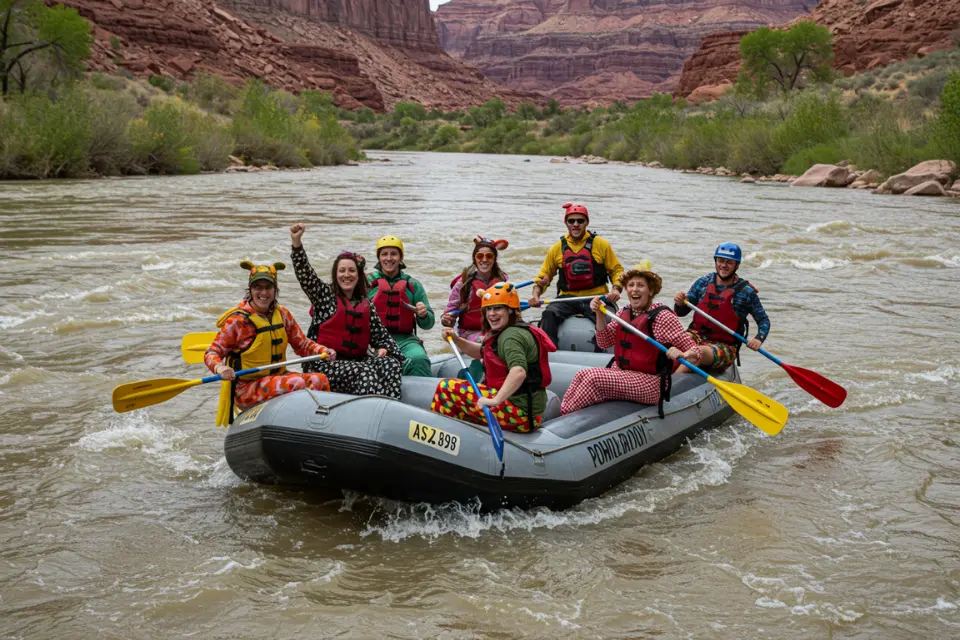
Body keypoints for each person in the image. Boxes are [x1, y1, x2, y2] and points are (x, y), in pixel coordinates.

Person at [560, 268, 699, 417]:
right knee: (582, 374)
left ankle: (566, 416)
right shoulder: (624, 312)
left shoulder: (663, 317)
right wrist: (599, 313)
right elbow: (604, 342)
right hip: (623, 373)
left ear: (650, 291)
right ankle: (564, 413)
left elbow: (695, 351)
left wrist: (682, 354)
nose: (634, 289)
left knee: (593, 377)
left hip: (651, 383)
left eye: (640, 285)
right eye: (631, 285)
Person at [289, 223, 404, 398]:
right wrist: (296, 243)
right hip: (323, 364)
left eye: (351, 271)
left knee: (390, 365)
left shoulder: (366, 304)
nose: (346, 275)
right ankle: (369, 412)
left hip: (356, 361)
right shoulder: (324, 296)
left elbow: (382, 336)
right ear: (336, 274)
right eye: (342, 271)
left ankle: (391, 406)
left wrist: (384, 348)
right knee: (363, 372)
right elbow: (305, 275)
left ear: (358, 276)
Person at [204, 260, 333, 412]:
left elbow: (302, 344)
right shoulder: (238, 321)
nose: (263, 293)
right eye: (258, 287)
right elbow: (211, 353)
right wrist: (220, 367)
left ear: (275, 289)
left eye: (268, 287)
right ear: (250, 290)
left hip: (278, 378)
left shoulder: (283, 314)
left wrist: (322, 350)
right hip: (247, 389)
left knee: (320, 379)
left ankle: (321, 422)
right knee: (297, 383)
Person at [433, 282, 556, 433]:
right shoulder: (510, 330)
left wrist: (495, 400)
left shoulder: (511, 337)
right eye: (489, 309)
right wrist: (456, 339)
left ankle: (441, 439)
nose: (491, 314)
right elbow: (481, 352)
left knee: (446, 388)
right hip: (526, 413)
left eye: (498, 308)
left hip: (519, 414)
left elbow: (519, 371)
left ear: (511, 310)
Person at [528, 203, 624, 348]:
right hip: (568, 298)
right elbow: (543, 277)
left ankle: (602, 356)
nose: (576, 224)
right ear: (566, 223)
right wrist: (536, 295)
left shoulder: (601, 244)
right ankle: (550, 353)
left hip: (597, 297)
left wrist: (616, 289)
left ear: (587, 222)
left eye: (580, 221)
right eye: (571, 221)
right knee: (549, 314)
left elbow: (616, 271)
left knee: (607, 321)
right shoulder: (557, 248)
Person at [672, 242, 769, 373]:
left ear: (737, 265)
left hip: (725, 346)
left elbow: (763, 320)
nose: (723, 265)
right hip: (696, 335)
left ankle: (668, 388)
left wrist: (758, 338)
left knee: (696, 353)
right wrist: (679, 303)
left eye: (729, 262)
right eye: (720, 260)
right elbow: (682, 312)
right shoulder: (703, 282)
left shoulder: (746, 292)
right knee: (671, 341)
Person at [367, 235, 435, 377]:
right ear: (379, 257)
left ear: (401, 257)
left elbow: (428, 324)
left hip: (405, 340)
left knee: (418, 359)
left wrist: (423, 314)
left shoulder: (413, 285)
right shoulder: (366, 282)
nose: (389, 258)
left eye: (394, 254)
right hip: (372, 340)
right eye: (384, 254)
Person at [440, 236, 509, 343]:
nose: (484, 260)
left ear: (494, 259)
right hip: (470, 332)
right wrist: (447, 319)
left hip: (496, 328)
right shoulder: (463, 284)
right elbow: (449, 316)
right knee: (488, 340)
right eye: (480, 256)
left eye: (489, 256)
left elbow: (511, 309)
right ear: (474, 258)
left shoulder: (502, 281)